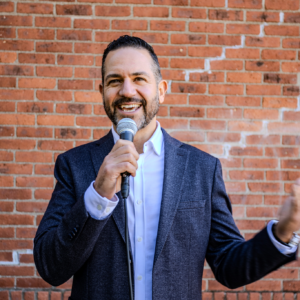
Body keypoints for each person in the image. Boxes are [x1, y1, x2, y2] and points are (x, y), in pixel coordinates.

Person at [34, 35, 300, 300]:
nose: (127, 91)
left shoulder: (201, 169)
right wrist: (98, 195)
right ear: (101, 90)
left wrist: (282, 232)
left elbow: (229, 267)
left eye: (139, 79)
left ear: (161, 90)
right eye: (115, 81)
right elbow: (50, 268)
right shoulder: (74, 165)